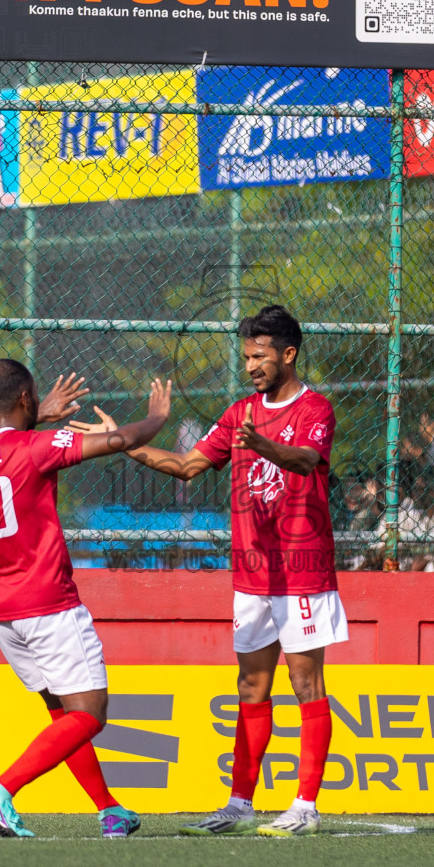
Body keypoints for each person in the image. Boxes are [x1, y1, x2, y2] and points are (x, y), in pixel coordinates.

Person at [76, 305, 342, 837]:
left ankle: (305, 807)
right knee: (251, 685)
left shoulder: (316, 409)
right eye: (246, 357)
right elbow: (187, 466)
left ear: (288, 355)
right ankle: (239, 804)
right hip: (251, 576)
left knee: (305, 681)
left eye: (260, 356)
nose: (251, 366)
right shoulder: (238, 411)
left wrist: (264, 445)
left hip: (302, 572)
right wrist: (123, 441)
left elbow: (307, 461)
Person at [0, 360, 169, 839]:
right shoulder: (36, 447)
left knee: (62, 714)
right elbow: (115, 441)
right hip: (47, 602)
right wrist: (155, 420)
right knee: (90, 713)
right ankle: (0, 789)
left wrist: (37, 414)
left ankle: (108, 809)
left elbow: (5, 439)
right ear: (27, 400)